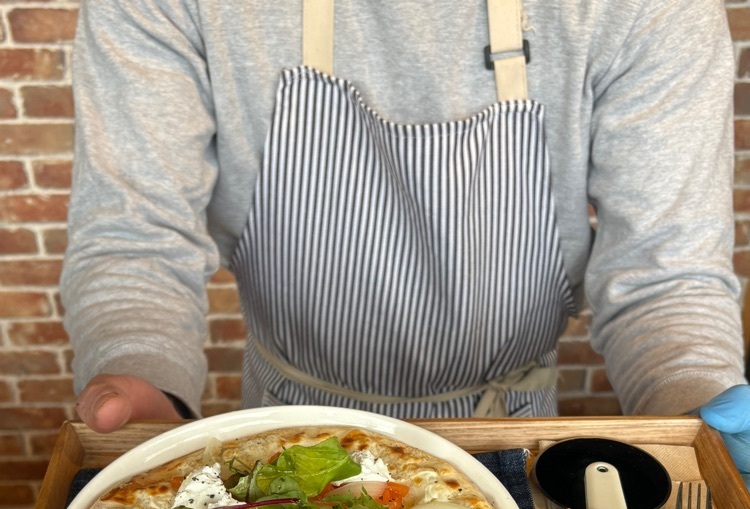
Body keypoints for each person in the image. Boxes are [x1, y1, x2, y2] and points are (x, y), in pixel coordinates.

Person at [62, 0, 750, 483]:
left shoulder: (649, 9)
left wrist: (696, 411)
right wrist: (142, 372)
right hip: (284, 441)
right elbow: (137, 238)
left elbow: (664, 276)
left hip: (507, 437)